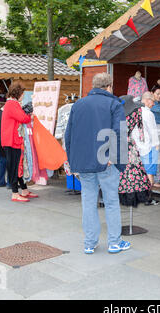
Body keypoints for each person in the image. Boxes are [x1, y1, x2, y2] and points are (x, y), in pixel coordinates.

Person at [65, 72, 130, 255]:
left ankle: (89, 242)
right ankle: (114, 242)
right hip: (107, 162)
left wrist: (72, 161)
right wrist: (116, 159)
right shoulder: (114, 104)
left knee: (88, 202)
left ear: (93, 86)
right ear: (109, 86)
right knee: (111, 202)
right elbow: (120, 133)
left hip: (84, 162)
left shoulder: (78, 105)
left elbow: (69, 135)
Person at [1, 83, 37, 202]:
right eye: (22, 94)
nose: (23, 96)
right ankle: (15, 193)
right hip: (12, 140)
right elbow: (23, 118)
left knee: (17, 166)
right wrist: (30, 116)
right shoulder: (12, 104)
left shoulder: (10, 103)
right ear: (18, 94)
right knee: (15, 167)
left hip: (11, 139)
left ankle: (24, 189)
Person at [132, 91, 160, 206]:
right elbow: (153, 132)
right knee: (149, 173)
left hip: (137, 147)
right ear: (147, 100)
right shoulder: (149, 113)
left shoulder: (134, 112)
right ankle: (148, 198)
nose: (153, 104)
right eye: (153, 101)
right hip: (149, 147)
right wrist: (157, 146)